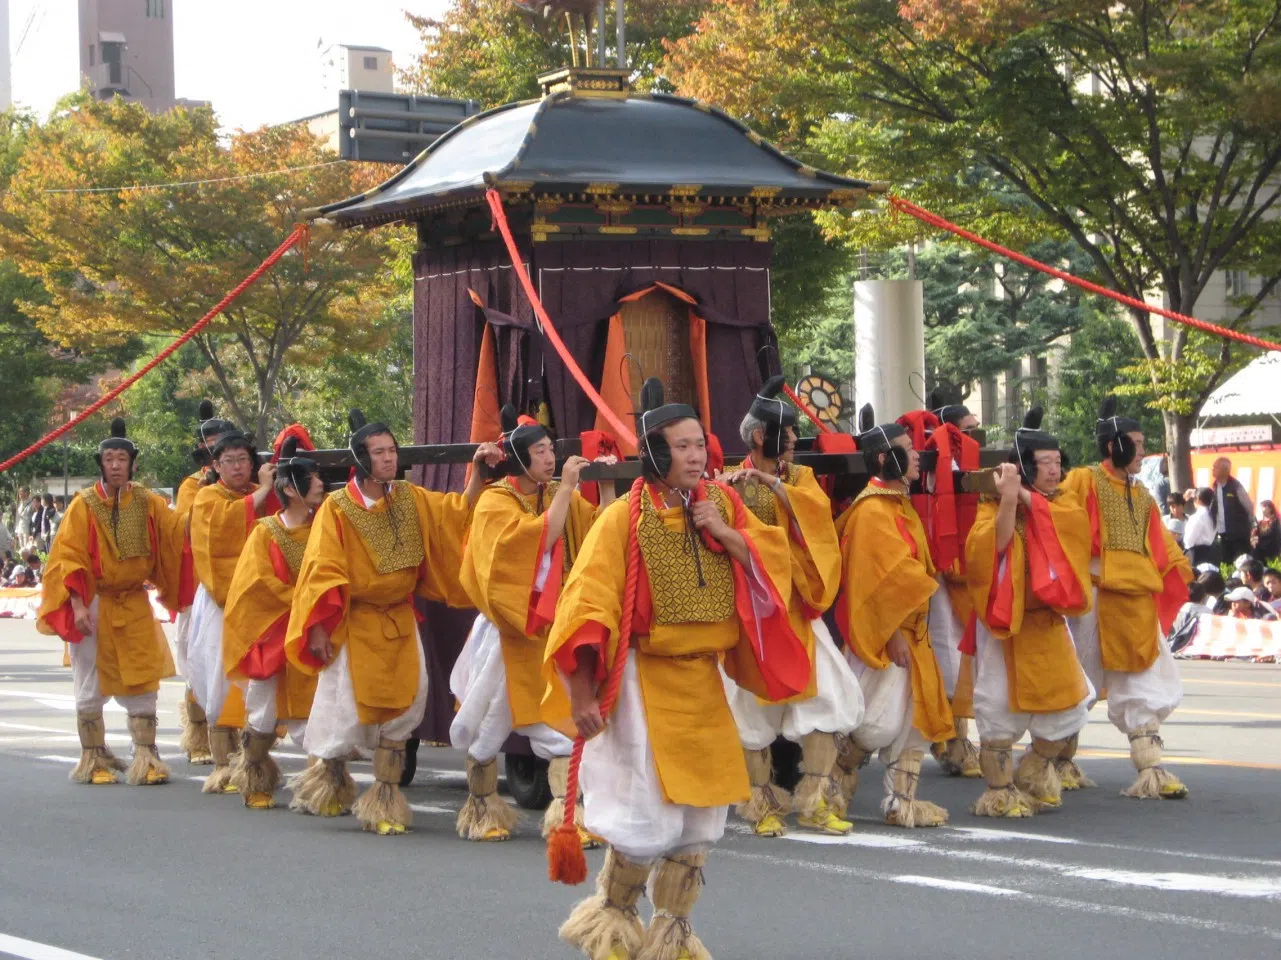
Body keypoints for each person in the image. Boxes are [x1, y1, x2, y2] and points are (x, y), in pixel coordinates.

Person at [544, 377, 808, 960]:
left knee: (699, 825)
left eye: (699, 444)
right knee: (645, 821)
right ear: (657, 453)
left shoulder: (725, 504)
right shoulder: (622, 519)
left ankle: (672, 936)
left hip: (703, 683)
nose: (696, 456)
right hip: (642, 685)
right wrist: (583, 695)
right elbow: (586, 606)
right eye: (682, 446)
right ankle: (611, 923)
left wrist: (724, 534)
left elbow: (776, 565)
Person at [284, 409, 499, 835]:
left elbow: (455, 514)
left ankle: (384, 798)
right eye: (379, 452)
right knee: (344, 712)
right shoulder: (337, 509)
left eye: (392, 450)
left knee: (406, 704)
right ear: (361, 460)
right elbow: (321, 569)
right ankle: (327, 778)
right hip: (356, 623)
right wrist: (321, 627)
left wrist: (475, 472)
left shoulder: (409, 497)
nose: (388, 458)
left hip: (401, 619)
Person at [450, 406, 610, 843]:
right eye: (540, 451)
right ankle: (482, 808)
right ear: (520, 459)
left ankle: (569, 818)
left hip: (550, 631)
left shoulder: (558, 493)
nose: (550, 458)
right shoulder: (495, 502)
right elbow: (542, 538)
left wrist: (608, 484)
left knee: (559, 726)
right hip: (508, 633)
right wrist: (570, 488)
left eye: (551, 450)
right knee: (489, 727)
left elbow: (600, 532)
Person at [720, 377, 864, 838]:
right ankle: (760, 803)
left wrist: (775, 486)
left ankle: (815, 801)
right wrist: (734, 489)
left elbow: (817, 521)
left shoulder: (798, 479)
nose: (793, 441)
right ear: (762, 436)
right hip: (751, 615)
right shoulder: (727, 479)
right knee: (750, 711)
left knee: (827, 700)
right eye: (786, 433)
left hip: (798, 611)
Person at [37, 418, 184, 786]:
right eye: (109, 459)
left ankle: (147, 757)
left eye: (122, 458)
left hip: (134, 601)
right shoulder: (83, 504)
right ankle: (93, 758)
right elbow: (68, 556)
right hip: (95, 601)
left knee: (143, 673)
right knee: (91, 676)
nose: (116, 465)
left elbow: (177, 533)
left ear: (133, 463)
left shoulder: (150, 503)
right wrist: (77, 605)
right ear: (100, 463)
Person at [829, 404, 955, 828]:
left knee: (913, 723)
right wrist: (893, 634)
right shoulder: (870, 512)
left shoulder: (897, 504)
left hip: (912, 635)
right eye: (907, 449)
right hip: (888, 639)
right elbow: (873, 587)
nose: (917, 454)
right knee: (870, 727)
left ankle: (902, 800)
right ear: (885, 459)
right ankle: (829, 788)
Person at [1062, 396, 1192, 800]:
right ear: (1112, 446)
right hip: (1095, 603)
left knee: (1144, 679)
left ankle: (1150, 770)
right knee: (1076, 681)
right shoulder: (1084, 480)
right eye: (1135, 443)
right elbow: (1061, 524)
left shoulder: (1145, 495)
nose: (1141, 451)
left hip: (1135, 603)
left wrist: (1181, 569)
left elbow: (1159, 547)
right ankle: (1054, 762)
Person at [966, 410, 1095, 818]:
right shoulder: (993, 505)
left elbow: (1070, 529)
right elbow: (995, 544)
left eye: (1058, 462)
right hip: (1009, 623)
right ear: (1024, 466)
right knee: (998, 707)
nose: (1055, 471)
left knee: (1071, 703)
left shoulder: (1065, 505)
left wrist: (1026, 497)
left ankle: (1035, 768)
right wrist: (1009, 497)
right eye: (1045, 463)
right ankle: (1000, 791)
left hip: (1047, 622)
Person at [221, 438, 325, 810]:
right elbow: (256, 583)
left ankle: (320, 787)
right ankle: (254, 775)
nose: (320, 484)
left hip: (313, 631)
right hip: (273, 634)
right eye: (311, 479)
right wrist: (300, 601)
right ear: (287, 488)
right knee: (263, 713)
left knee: (316, 711)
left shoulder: (324, 527)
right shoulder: (265, 531)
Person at [187, 431, 277, 793]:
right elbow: (221, 531)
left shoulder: (262, 494)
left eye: (243, 460)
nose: (238, 467)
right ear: (216, 466)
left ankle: (252, 761)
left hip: (257, 602)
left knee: (255, 681)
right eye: (229, 461)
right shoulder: (209, 496)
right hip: (219, 601)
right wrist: (263, 492)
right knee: (219, 679)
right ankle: (223, 765)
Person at [175, 401, 241, 766]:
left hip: (246, 592)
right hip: (201, 587)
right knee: (199, 663)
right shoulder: (194, 487)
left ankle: (243, 737)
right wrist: (209, 495)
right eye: (214, 449)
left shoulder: (250, 489)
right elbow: (185, 527)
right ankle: (200, 735)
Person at [1210, 457, 1254, 565]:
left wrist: (1250, 527)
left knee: (1240, 562)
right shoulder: (1215, 485)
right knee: (1226, 561)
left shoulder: (1235, 486)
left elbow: (1248, 507)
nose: (1212, 469)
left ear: (1225, 471)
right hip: (1222, 532)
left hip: (1238, 534)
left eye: (1216, 467)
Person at [1166, 581, 1209, 654]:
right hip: (1198, 645)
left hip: (1174, 643)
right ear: (1203, 596)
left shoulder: (1179, 608)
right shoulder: (1208, 611)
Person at [1182, 488, 1218, 567]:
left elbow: (1188, 541)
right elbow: (1206, 493)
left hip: (1196, 554)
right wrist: (1194, 492)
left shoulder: (1198, 516)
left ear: (1199, 500)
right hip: (1210, 552)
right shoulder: (1213, 514)